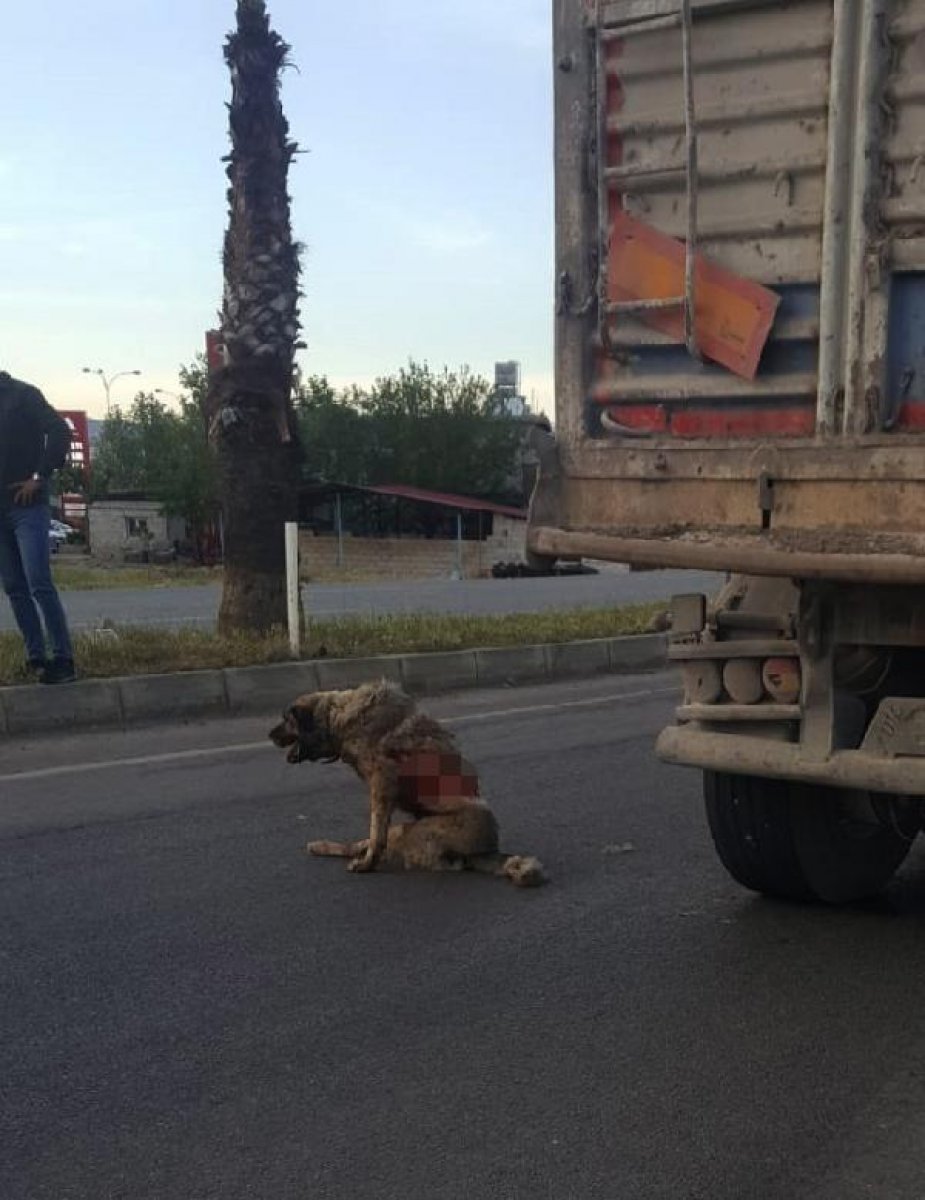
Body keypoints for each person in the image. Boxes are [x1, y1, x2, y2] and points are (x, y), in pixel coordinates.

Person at [0, 370, 76, 684]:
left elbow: (60, 431)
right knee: (14, 587)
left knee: (38, 582)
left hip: (27, 506)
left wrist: (39, 477)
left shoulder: (22, 394)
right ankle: (37, 659)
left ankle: (63, 659)